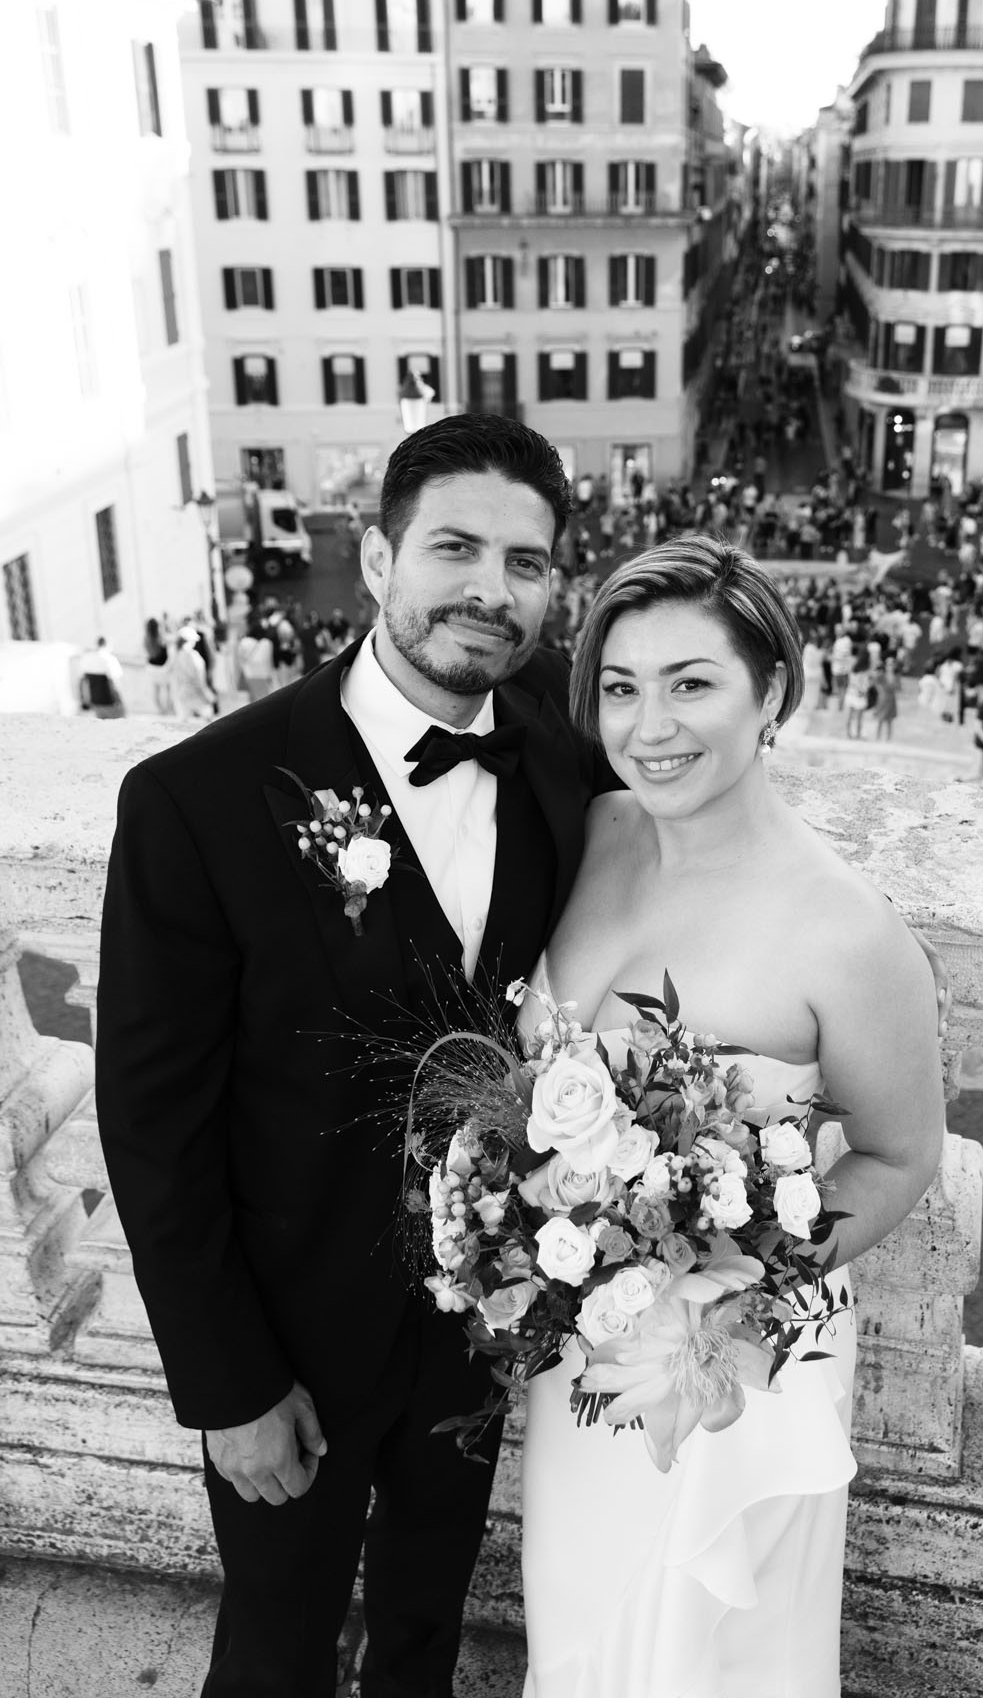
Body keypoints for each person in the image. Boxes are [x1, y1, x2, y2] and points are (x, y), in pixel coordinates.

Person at [96, 415, 618, 1697]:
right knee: (276, 1648)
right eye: (453, 546)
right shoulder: (199, 799)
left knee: (424, 1636)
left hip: (480, 1328)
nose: (489, 589)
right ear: (377, 559)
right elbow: (151, 1120)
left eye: (528, 561)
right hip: (288, 1347)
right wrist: (227, 1383)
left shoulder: (568, 765)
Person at [521, 538, 945, 1697]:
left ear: (772, 694)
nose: (648, 723)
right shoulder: (597, 835)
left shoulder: (843, 931)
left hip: (739, 1368)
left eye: (691, 681)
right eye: (620, 686)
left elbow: (900, 1152)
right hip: (582, 1347)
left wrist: (735, 1283)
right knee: (583, 1616)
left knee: (706, 1655)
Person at [79, 636, 125, 718]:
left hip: (95, 702)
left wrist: (84, 701)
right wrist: (120, 701)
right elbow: (115, 683)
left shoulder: (87, 657)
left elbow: (82, 681)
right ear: (107, 645)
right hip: (110, 702)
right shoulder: (110, 659)